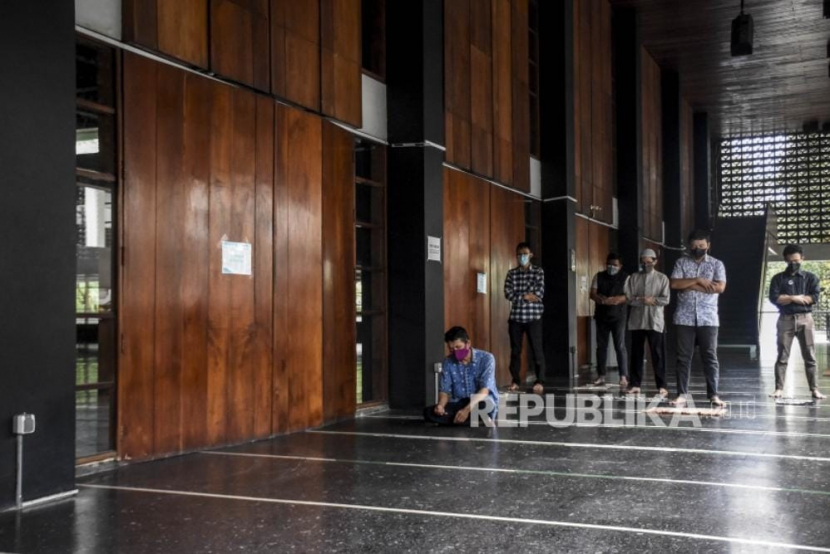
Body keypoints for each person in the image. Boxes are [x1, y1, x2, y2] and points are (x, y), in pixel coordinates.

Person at [670, 229, 726, 406]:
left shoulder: (717, 264)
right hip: (683, 318)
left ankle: (714, 394)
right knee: (683, 357)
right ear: (689, 246)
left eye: (701, 245)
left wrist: (690, 285)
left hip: (708, 318)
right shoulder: (681, 262)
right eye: (694, 246)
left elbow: (719, 288)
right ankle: (681, 394)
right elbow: (675, 284)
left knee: (709, 356)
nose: (698, 248)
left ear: (708, 246)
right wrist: (699, 280)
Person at [769, 244, 826, 399]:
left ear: (802, 258)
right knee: (782, 355)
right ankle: (779, 389)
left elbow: (813, 298)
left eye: (796, 260)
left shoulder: (811, 278)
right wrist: (795, 298)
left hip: (805, 320)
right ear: (785, 260)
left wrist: (787, 298)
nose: (793, 263)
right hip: (785, 320)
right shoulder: (778, 278)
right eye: (790, 261)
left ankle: (814, 389)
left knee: (810, 355)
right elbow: (775, 299)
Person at [424, 326, 499, 426]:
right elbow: (444, 391)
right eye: (451, 349)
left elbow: (484, 390)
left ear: (468, 344)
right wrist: (441, 406)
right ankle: (468, 420)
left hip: (480, 402)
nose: (455, 352)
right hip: (459, 403)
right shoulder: (448, 362)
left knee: (485, 408)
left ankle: (460, 419)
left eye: (458, 347)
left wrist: (466, 410)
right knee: (428, 412)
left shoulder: (486, 358)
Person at [624, 249, 670, 398]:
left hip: (655, 320)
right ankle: (635, 384)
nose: (645, 265)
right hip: (637, 320)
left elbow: (666, 299)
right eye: (643, 262)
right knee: (636, 353)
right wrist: (641, 300)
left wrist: (653, 301)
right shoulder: (634, 278)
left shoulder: (662, 278)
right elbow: (629, 298)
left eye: (648, 262)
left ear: (655, 261)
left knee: (657, 353)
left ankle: (662, 385)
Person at [504, 242, 546, 394]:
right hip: (516, 318)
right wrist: (526, 296)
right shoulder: (511, 273)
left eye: (525, 254)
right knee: (515, 350)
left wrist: (519, 297)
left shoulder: (538, 272)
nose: (522, 257)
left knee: (536, 349)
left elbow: (539, 293)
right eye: (519, 254)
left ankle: (540, 380)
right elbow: (508, 294)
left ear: (531, 255)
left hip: (533, 317)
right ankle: (515, 380)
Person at [589, 253, 629, 388]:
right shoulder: (599, 276)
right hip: (601, 315)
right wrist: (601, 300)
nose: (611, 267)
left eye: (615, 265)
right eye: (609, 264)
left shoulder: (625, 278)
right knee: (601, 347)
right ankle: (601, 375)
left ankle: (623, 376)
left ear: (620, 266)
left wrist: (617, 300)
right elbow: (592, 293)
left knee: (620, 346)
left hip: (618, 316)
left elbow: (629, 295)